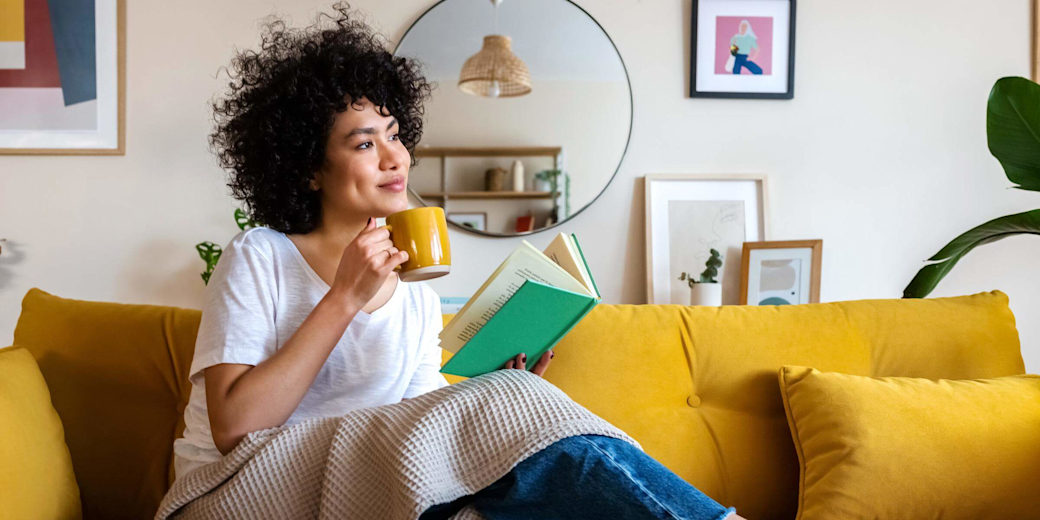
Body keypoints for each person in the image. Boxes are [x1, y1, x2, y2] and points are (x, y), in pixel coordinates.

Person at [172, 3, 742, 519]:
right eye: (365, 143)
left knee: (511, 460)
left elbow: (421, 446)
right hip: (238, 489)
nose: (397, 158)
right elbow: (234, 428)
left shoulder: (415, 292)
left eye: (395, 135)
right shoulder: (261, 257)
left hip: (356, 489)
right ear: (308, 168)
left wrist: (489, 390)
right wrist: (343, 297)